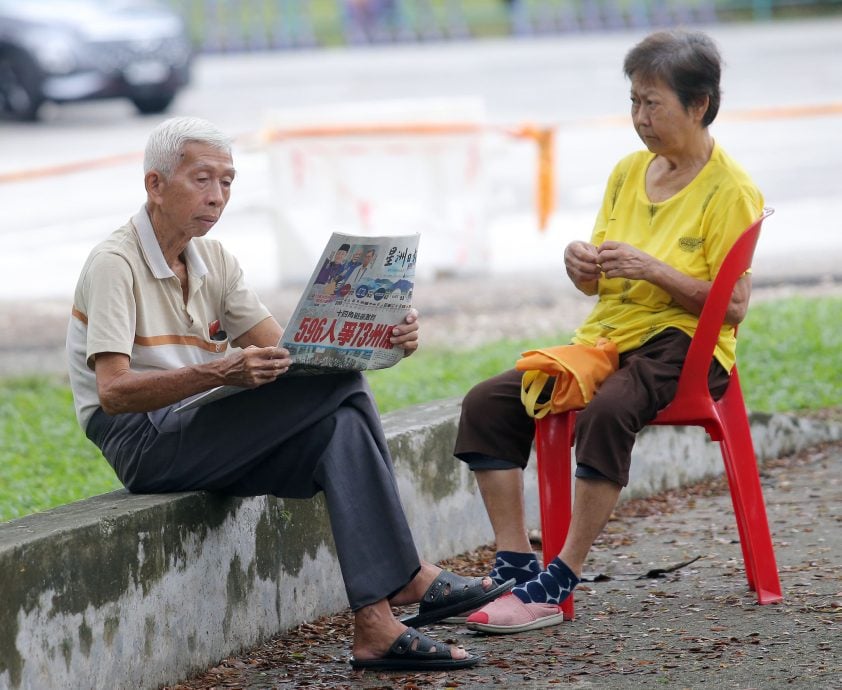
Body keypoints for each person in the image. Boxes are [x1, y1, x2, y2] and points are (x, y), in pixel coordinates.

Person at [65, 116, 512, 670]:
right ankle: (409, 577)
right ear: (154, 185)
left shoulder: (216, 261)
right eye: (202, 179)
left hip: (202, 427)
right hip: (142, 440)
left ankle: (375, 625)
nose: (217, 196)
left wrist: (387, 338)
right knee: (341, 389)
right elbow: (113, 393)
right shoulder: (115, 263)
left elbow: (300, 360)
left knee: (340, 425)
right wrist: (220, 373)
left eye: (227, 182)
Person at [454, 29, 765, 633]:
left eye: (654, 103)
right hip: (608, 341)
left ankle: (559, 575)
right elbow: (597, 285)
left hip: (686, 347)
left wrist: (654, 269)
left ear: (698, 104)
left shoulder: (731, 189)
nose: (640, 118)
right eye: (634, 102)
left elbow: (734, 307)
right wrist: (582, 266)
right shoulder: (628, 172)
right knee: (488, 403)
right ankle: (516, 560)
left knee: (608, 411)